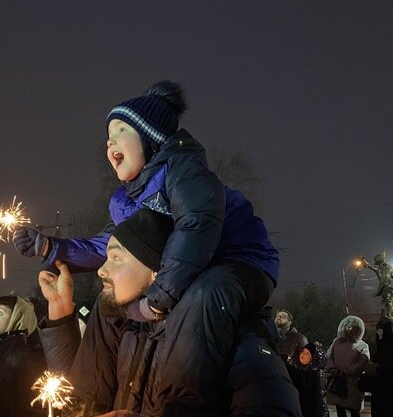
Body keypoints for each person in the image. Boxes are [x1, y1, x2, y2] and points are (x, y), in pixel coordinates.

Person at [38, 209, 304, 417]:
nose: (101, 271)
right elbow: (79, 402)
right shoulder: (131, 335)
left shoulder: (233, 336)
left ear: (157, 272)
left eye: (116, 258)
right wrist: (61, 314)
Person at [14, 79, 277, 337]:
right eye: (108, 136)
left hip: (241, 262)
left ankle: (197, 377)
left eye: (121, 131)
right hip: (192, 269)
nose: (110, 141)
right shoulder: (127, 201)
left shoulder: (183, 172)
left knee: (203, 297)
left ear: (150, 138)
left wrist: (157, 300)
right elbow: (108, 247)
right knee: (110, 305)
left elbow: (196, 225)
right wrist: (52, 248)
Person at [325, 315, 371, 417]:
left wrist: (349, 370)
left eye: (352, 328)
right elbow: (329, 356)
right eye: (347, 327)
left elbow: (364, 361)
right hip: (338, 380)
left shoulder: (363, 346)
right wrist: (333, 368)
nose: (348, 330)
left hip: (353, 382)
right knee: (340, 409)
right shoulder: (336, 343)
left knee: (355, 410)